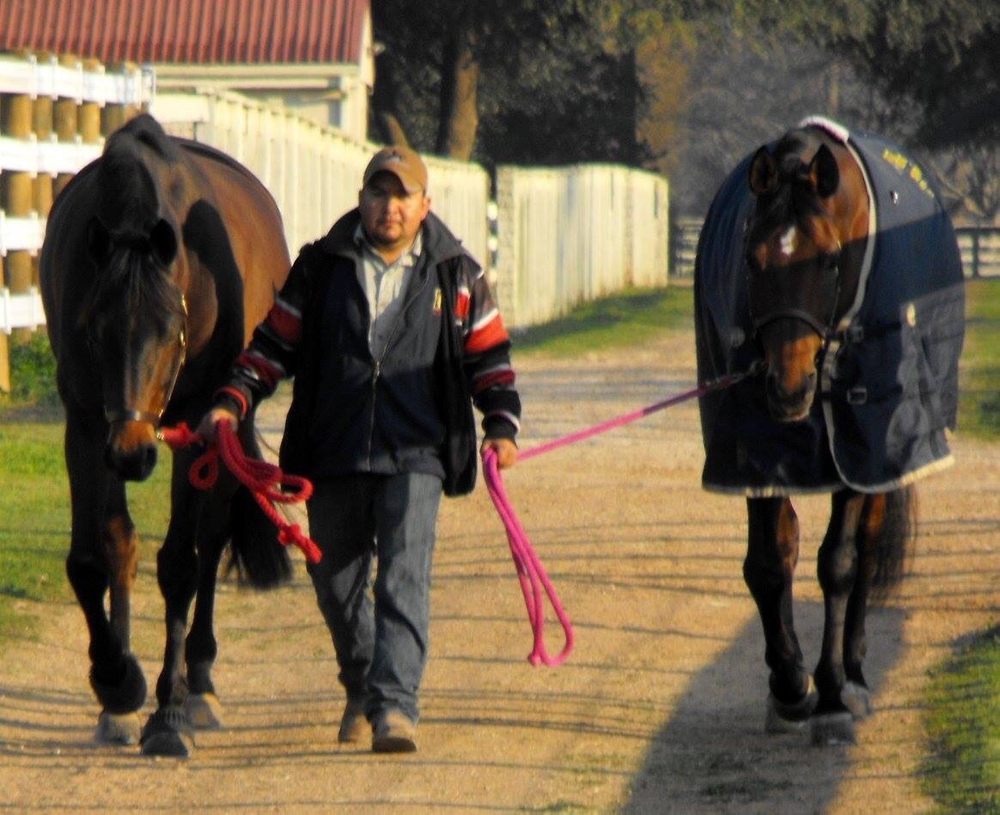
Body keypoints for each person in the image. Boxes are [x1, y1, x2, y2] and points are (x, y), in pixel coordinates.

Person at [197, 145, 520, 753]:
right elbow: (272, 347)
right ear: (362, 198)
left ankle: (396, 707)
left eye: (402, 196)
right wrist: (232, 400)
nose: (388, 207)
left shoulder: (458, 275)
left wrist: (501, 425)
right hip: (332, 450)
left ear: (425, 205)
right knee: (335, 582)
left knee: (402, 576)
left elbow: (490, 360)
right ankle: (363, 682)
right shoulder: (321, 269)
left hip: (418, 452)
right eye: (378, 193)